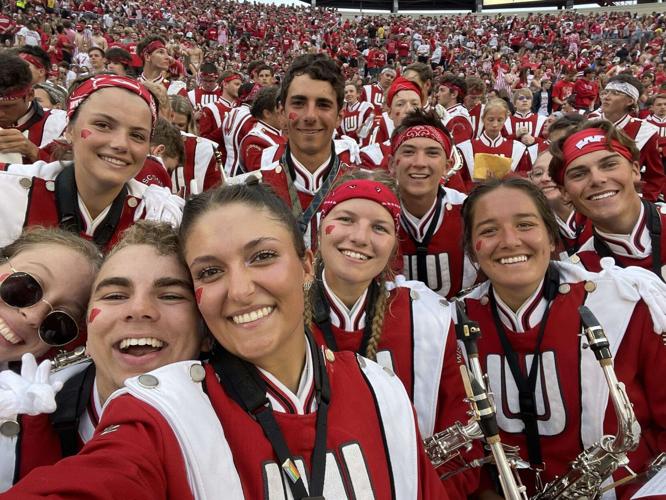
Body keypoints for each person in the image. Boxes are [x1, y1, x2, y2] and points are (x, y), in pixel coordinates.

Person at [3, 183, 448, 499]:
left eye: (263, 256)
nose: (239, 291)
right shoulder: (159, 413)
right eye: (210, 271)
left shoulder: (381, 388)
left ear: (308, 265)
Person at [459, 176, 666, 499]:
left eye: (525, 225)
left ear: (552, 236)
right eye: (488, 230)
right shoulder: (453, 324)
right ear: (472, 249)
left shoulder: (626, 303)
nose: (510, 241)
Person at [306, 172, 479, 497]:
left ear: (393, 243)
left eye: (379, 227)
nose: (360, 237)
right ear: (319, 228)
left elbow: (464, 430)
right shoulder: (280, 315)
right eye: (345, 219)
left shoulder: (428, 316)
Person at [2, 221, 206, 489]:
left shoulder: (238, 419)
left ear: (208, 332)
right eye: (114, 296)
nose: (33, 316)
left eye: (170, 296)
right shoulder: (27, 413)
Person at [0, 74, 184, 251]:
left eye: (137, 135)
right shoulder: (9, 192)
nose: (120, 144)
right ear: (69, 129)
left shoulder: (159, 213)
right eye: (103, 125)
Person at [549, 120, 666, 280]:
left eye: (609, 165)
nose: (597, 179)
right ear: (565, 192)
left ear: (635, 170)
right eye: (579, 174)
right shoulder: (577, 277)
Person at [259, 54, 354, 250]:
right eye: (299, 103)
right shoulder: (254, 192)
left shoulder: (362, 189)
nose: (310, 116)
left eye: (323, 105)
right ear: (281, 112)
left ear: (340, 116)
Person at [588, 74, 666, 202]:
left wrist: (642, 203)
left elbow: (654, 176)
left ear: (630, 101)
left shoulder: (645, 131)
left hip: (625, 202)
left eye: (616, 93)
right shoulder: (588, 122)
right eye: (606, 92)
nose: (606, 97)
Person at [0, 52, 67, 164]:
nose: (0, 114)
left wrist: (33, 152)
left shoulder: (60, 125)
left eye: (8, 106)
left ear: (31, 95)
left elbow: (76, 173)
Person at [457, 98, 532, 189]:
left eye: (500, 120)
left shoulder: (518, 149)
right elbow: (459, 183)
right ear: (483, 119)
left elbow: (525, 180)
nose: (495, 125)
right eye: (490, 119)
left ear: (505, 120)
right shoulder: (465, 148)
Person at [239, 86, 285, 173]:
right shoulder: (254, 140)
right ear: (267, 113)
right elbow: (262, 177)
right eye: (281, 108)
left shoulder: (281, 132)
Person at [197, 70, 241, 145]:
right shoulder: (209, 109)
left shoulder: (242, 108)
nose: (240, 88)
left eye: (240, 85)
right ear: (225, 84)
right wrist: (226, 127)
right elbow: (204, 141)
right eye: (236, 84)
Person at [436, 73, 473, 144]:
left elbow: (459, 152)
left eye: (442, 90)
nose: (437, 94)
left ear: (454, 94)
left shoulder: (459, 120)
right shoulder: (450, 114)